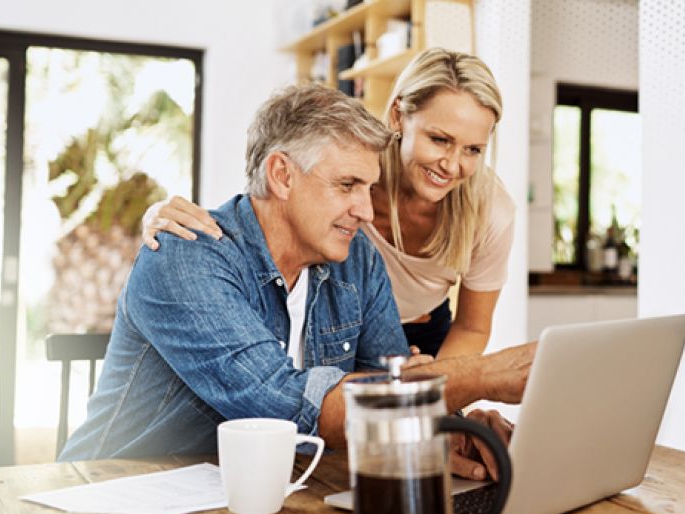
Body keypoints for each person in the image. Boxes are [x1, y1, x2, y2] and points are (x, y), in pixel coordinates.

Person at [59, 84, 535, 482]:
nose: (366, 211)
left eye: (369, 188)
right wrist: (482, 376)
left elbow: (390, 385)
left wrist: (450, 428)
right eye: (347, 185)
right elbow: (285, 404)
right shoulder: (186, 257)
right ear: (282, 175)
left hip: (261, 496)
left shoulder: (358, 261)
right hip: (113, 495)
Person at [143, 48, 514, 359]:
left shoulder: (489, 211)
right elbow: (268, 202)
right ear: (399, 115)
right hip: (333, 315)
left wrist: (441, 390)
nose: (451, 164)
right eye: (439, 139)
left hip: (422, 332)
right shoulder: (354, 159)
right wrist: (162, 217)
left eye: (473, 150)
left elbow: (473, 326)